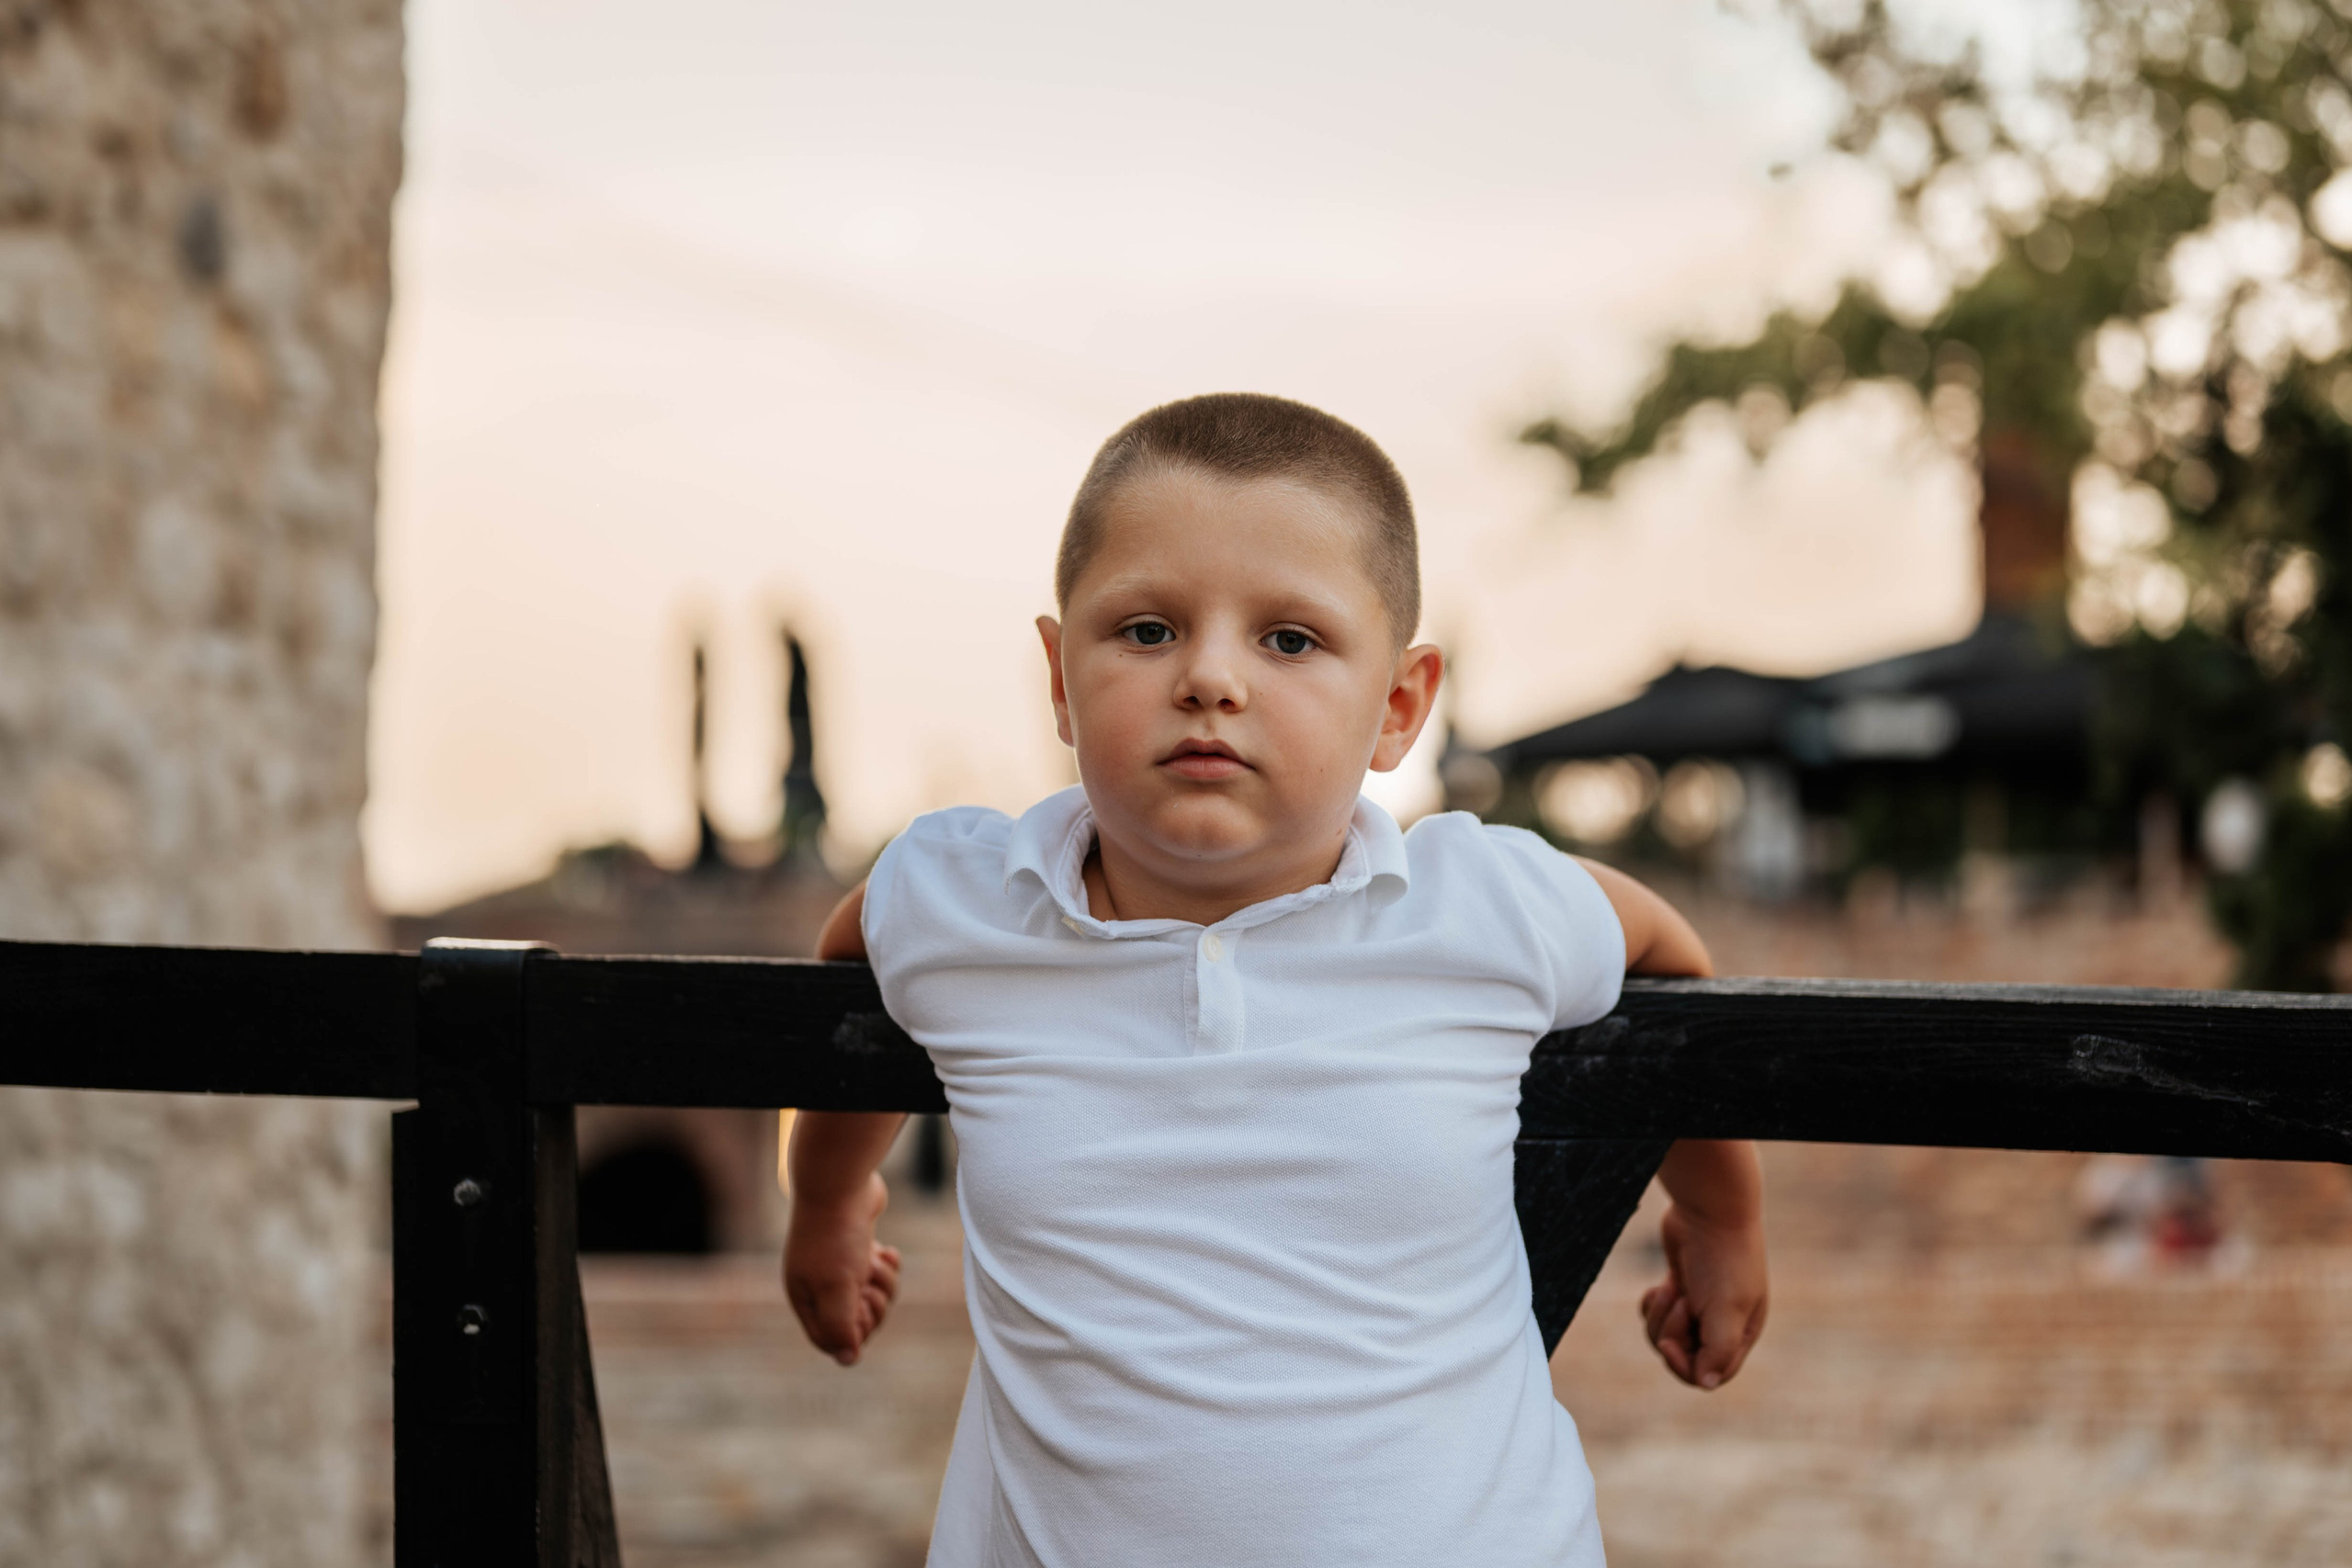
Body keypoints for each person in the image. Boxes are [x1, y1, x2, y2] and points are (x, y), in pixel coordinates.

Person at [783, 393, 1768, 1567]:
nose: (1209, 678)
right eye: (1145, 631)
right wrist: (830, 1204)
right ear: (1058, 675)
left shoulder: (1480, 905)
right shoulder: (965, 899)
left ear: (1397, 706)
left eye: (1288, 641)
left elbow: (1673, 971)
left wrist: (1719, 1215)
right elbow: (843, 983)